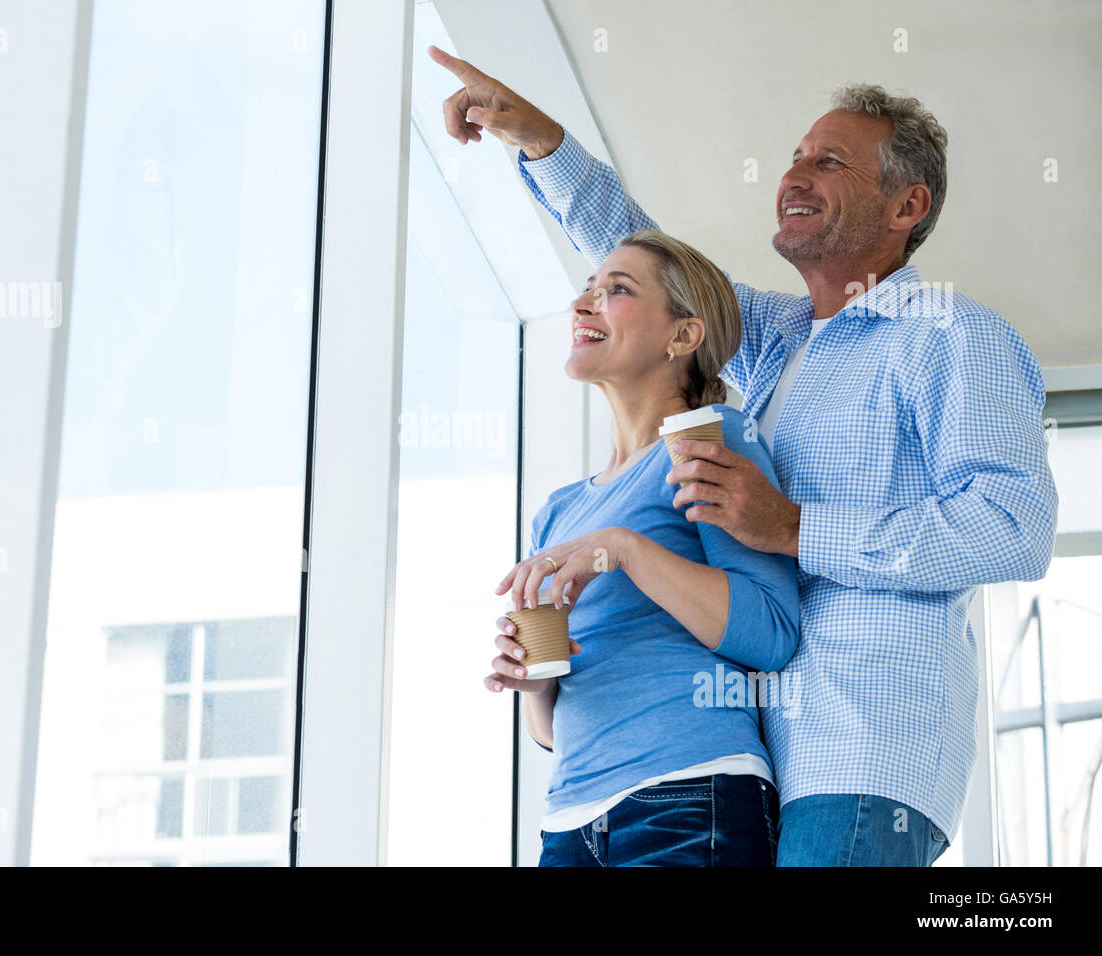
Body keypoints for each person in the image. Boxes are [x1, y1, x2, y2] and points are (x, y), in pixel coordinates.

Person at [434, 45, 1059, 866]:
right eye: (796, 156)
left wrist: (797, 527)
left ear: (907, 205)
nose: (793, 175)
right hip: (756, 754)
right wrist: (542, 142)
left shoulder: (949, 333)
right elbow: (654, 274)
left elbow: (1014, 528)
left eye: (828, 162)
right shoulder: (781, 344)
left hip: (862, 750)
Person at [487, 228, 800, 866]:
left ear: (682, 336)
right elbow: (548, 731)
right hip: (570, 821)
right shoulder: (558, 513)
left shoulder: (707, 441)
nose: (583, 306)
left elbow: (771, 631)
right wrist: (533, 678)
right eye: (585, 291)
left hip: (689, 794)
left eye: (616, 291)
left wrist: (624, 548)